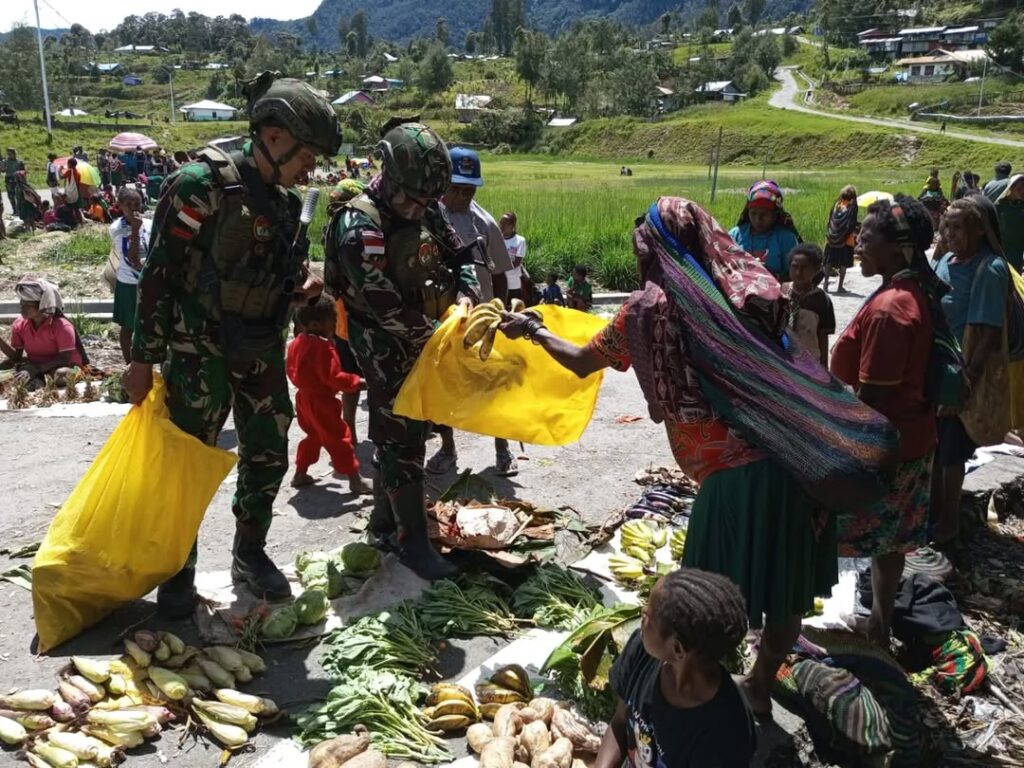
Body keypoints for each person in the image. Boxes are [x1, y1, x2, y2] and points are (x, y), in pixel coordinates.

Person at [499, 198, 844, 717]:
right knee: (783, 590)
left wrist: (532, 329)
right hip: (792, 456)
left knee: (701, 604)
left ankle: (703, 705)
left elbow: (580, 362)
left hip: (731, 479)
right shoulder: (750, 291)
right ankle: (758, 687)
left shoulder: (647, 310)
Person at [122, 71, 342, 616]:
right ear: (274, 136)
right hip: (199, 354)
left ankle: (251, 552)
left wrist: (301, 288)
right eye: (306, 153)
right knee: (188, 463)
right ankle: (178, 572)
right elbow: (159, 275)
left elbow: (282, 275)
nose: (310, 166)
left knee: (268, 450)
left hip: (259, 350)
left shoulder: (288, 206)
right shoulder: (201, 184)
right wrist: (142, 360)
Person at [323, 119, 479, 580]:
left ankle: (383, 522)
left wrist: (467, 295)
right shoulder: (359, 225)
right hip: (384, 344)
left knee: (412, 429)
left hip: (428, 339)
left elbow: (460, 255)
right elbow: (380, 303)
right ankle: (414, 543)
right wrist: (438, 333)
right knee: (401, 435)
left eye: (425, 201)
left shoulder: (423, 207)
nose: (418, 209)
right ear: (387, 176)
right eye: (410, 198)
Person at [830, 195, 938, 647]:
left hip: (884, 447)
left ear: (897, 247)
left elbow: (871, 399)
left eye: (868, 236)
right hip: (911, 440)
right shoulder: (909, 290)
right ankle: (879, 622)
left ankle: (784, 624)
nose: (857, 243)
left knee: (822, 528)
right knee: (891, 542)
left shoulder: (891, 309)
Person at [596, 568, 756, 768]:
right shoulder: (641, 652)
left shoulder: (725, 733)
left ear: (677, 649)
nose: (641, 616)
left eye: (648, 617)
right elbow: (619, 723)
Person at [428, 147, 517, 478]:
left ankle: (503, 449)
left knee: (494, 385)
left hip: (482, 321)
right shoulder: (428, 218)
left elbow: (499, 277)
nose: (463, 195)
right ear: (442, 183)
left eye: (470, 189)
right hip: (443, 318)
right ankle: (447, 449)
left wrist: (501, 314)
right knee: (442, 387)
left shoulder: (486, 223)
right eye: (457, 187)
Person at [931, 197, 1010, 545]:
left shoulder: (989, 268)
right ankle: (933, 515)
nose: (950, 232)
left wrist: (966, 384)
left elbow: (988, 332)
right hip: (936, 368)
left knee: (950, 451)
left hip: (961, 374)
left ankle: (949, 524)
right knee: (933, 447)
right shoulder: (945, 261)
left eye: (958, 226)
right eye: (947, 225)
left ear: (981, 230)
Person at [286, 295, 370, 494]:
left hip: (303, 400)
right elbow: (334, 378)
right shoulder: (322, 347)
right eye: (332, 321)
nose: (335, 324)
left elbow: (290, 369)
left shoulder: (298, 342)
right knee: (340, 438)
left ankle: (300, 473)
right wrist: (358, 383)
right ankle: (355, 479)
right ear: (316, 324)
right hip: (321, 401)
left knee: (313, 436)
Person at [327, 178, 368, 445]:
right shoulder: (356, 229)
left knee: (351, 383)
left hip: (343, 324)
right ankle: (354, 431)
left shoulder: (332, 230)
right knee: (365, 382)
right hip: (358, 322)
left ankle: (350, 431)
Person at [0, 277, 85, 389]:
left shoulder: (62, 326)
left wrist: (36, 369)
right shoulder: (19, 324)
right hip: (35, 365)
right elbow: (16, 357)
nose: (22, 309)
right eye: (22, 304)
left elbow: (64, 359)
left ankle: (39, 379)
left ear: (43, 306)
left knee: (61, 374)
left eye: (28, 305)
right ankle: (38, 380)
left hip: (66, 366)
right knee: (4, 367)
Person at [729, 180, 801, 281]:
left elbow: (797, 276)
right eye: (753, 213)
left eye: (764, 214)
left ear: (775, 215)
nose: (758, 219)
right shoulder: (735, 235)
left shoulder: (786, 239)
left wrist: (773, 277)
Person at [108, 188, 149, 364]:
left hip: (147, 280)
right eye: (128, 205)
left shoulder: (148, 223)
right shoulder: (117, 228)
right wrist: (134, 229)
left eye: (137, 204)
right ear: (120, 206)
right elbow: (131, 258)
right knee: (128, 326)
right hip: (129, 283)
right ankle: (129, 363)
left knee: (150, 323)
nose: (133, 209)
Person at [785, 244, 834, 366]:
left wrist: (824, 367)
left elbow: (823, 336)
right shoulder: (782, 291)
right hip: (784, 357)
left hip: (810, 360)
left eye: (805, 268)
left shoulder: (821, 300)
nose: (798, 272)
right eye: (794, 266)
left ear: (816, 269)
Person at [824, 185, 858, 293]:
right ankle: (840, 286)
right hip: (846, 239)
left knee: (829, 261)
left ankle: (825, 284)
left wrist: (831, 233)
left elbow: (830, 219)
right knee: (844, 262)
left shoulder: (837, 204)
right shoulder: (852, 206)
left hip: (831, 238)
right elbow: (851, 223)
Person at [996, 174, 1024, 272]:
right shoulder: (999, 206)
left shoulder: (1021, 206)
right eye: (1019, 189)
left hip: (1018, 249)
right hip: (1003, 249)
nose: (1022, 192)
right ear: (1010, 189)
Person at [500, 212, 527, 304]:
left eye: (505, 223)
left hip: (513, 281)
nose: (501, 226)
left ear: (512, 225)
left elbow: (516, 263)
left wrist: (500, 264)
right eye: (501, 223)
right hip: (498, 280)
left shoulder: (520, 241)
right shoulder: (497, 239)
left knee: (513, 306)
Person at [3, 148, 24, 213]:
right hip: (9, 179)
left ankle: (19, 210)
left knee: (18, 195)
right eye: (8, 154)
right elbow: (3, 170)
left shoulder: (19, 162)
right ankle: (14, 210)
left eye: (10, 154)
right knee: (10, 196)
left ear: (14, 154)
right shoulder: (5, 161)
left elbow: (23, 172)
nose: (9, 155)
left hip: (17, 180)